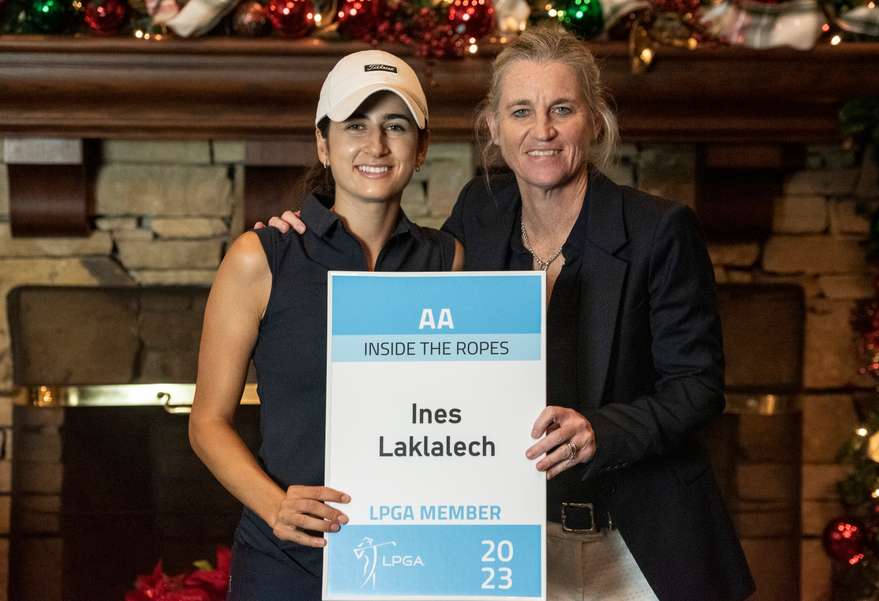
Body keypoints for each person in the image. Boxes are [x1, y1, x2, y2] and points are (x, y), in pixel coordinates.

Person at [261, 28, 756, 601]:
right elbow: (411, 310)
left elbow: (698, 389)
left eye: (562, 109)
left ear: (594, 121)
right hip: (510, 545)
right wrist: (302, 235)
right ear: (494, 127)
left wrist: (602, 430)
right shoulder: (480, 211)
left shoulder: (659, 230)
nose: (541, 131)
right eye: (521, 111)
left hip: (640, 545)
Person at [190, 49, 463, 600]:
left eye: (396, 126)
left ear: (422, 146)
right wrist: (276, 505)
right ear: (323, 143)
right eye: (355, 125)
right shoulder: (261, 257)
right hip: (285, 558)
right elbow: (206, 423)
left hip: (411, 555)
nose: (376, 146)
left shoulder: (446, 260)